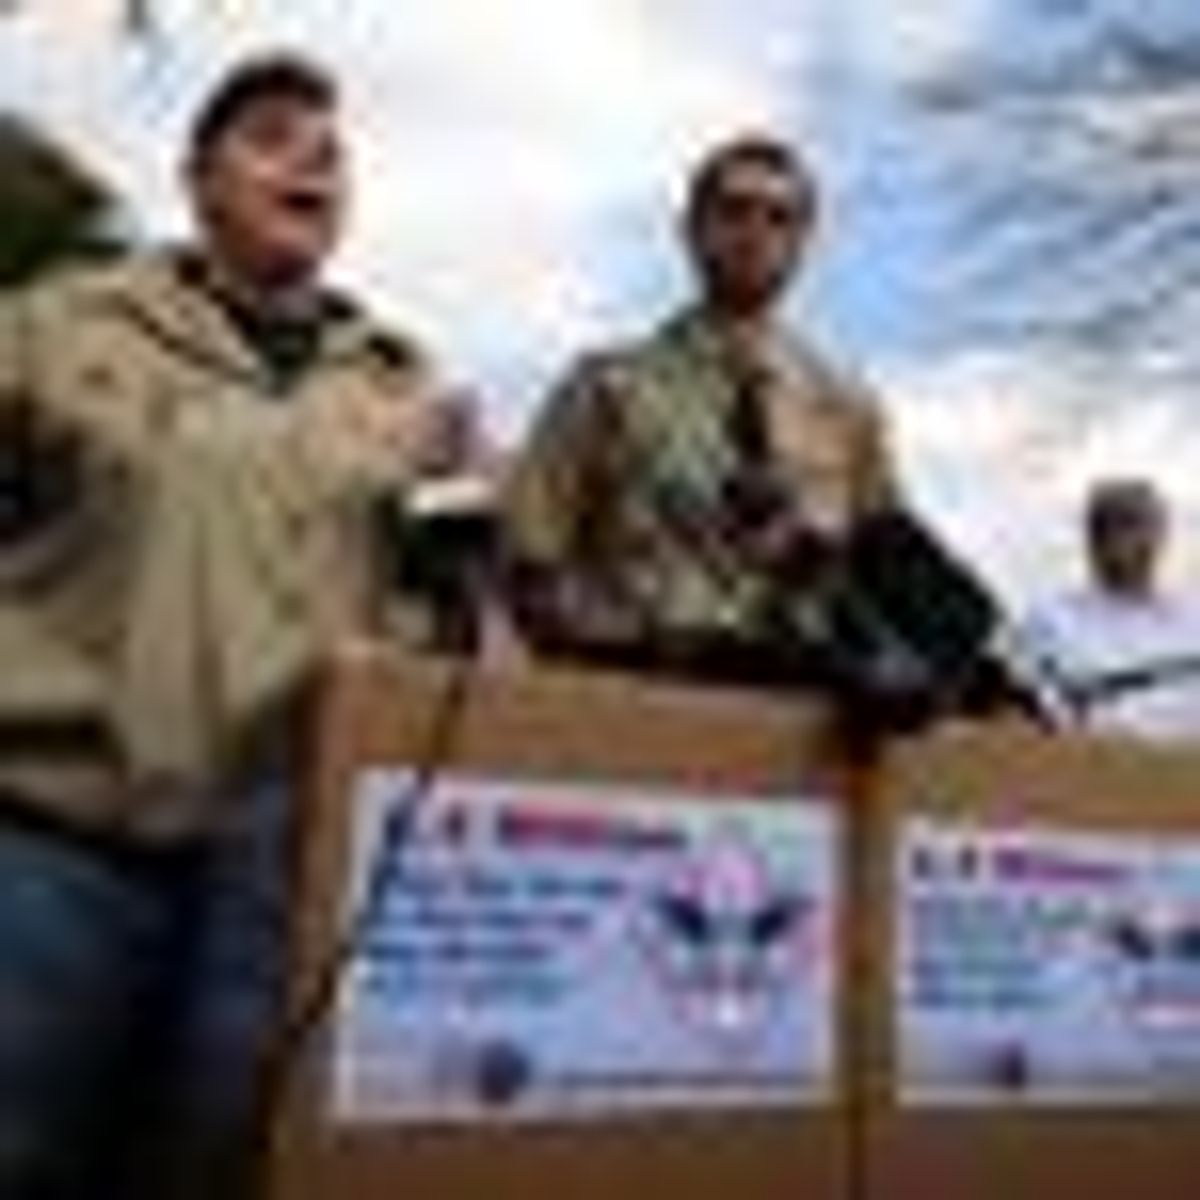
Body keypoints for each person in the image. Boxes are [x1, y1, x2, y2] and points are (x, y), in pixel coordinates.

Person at [0, 53, 463, 1198]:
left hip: (282, 876)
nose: (310, 156)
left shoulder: (401, 384)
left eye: (330, 148)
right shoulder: (58, 322)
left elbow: (441, 612)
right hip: (60, 841)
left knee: (219, 1168)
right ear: (198, 179)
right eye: (269, 134)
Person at [504, 134, 953, 705]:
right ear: (691, 230)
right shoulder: (607, 388)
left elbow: (888, 576)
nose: (755, 233)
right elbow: (529, 561)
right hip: (645, 696)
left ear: (803, 246)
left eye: (780, 218)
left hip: (810, 719)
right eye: (734, 210)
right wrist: (600, 664)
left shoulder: (847, 408)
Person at [1020, 478, 1200, 741]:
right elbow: (1034, 713)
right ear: (1094, 540)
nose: (1141, 541)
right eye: (1125, 526)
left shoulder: (1191, 621)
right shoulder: (1053, 621)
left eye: (1150, 527)